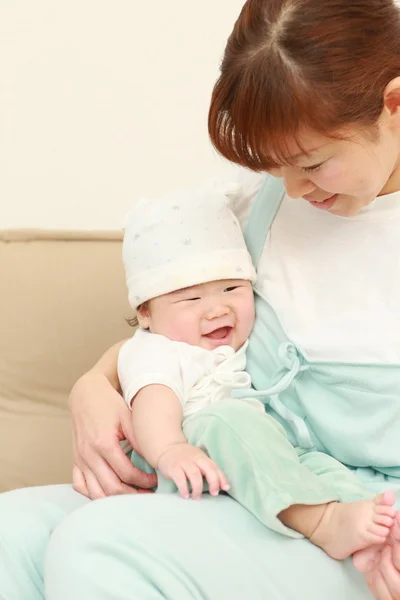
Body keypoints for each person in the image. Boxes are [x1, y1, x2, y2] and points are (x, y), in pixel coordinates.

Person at [1, 0, 400, 599]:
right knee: (11, 535)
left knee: (101, 547)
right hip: (244, 481)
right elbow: (187, 333)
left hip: (367, 522)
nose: (294, 187)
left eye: (314, 162)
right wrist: (95, 384)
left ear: (395, 103)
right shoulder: (256, 206)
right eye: (276, 165)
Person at [119, 183, 396, 561]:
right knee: (225, 419)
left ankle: (369, 527)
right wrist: (170, 449)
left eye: (232, 288)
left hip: (258, 457)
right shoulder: (155, 351)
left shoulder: (236, 344)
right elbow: (153, 404)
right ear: (146, 314)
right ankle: (322, 521)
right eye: (192, 299)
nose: (217, 309)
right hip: (186, 464)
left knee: (316, 464)